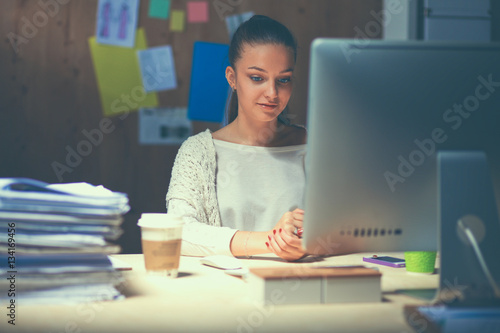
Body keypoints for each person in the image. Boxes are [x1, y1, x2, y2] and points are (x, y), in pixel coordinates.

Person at [166, 15, 307, 261]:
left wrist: (313, 241)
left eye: (283, 80)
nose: (272, 93)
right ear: (232, 78)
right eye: (257, 78)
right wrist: (271, 240)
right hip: (226, 293)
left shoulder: (317, 146)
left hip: (302, 288)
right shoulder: (197, 152)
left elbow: (352, 226)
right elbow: (177, 231)